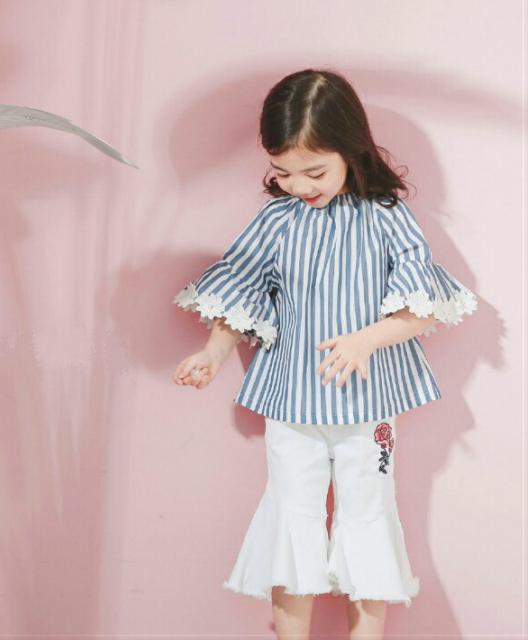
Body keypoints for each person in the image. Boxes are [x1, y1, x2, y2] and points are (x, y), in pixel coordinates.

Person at [171, 68, 477, 640]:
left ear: (350, 148)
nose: (297, 185)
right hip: (293, 403)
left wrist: (366, 339)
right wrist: (213, 353)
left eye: (314, 171)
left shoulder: (387, 217)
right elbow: (240, 291)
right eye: (282, 171)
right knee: (293, 517)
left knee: (368, 515)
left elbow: (423, 307)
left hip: (369, 406)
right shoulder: (276, 221)